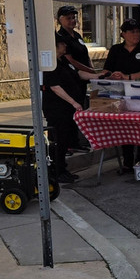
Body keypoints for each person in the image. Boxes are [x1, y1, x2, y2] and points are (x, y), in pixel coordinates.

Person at [105, 18, 140, 171]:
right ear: (123, 34)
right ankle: (127, 162)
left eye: (137, 31)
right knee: (125, 126)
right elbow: (107, 70)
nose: (136, 34)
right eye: (132, 31)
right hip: (120, 93)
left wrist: (128, 77)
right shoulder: (115, 49)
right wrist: (112, 75)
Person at [42, 39, 92, 183]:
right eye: (63, 43)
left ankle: (62, 168)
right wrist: (74, 102)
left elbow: (79, 74)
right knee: (58, 139)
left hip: (67, 108)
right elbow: (55, 87)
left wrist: (98, 76)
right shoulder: (50, 65)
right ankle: (57, 171)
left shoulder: (63, 60)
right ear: (55, 46)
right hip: (57, 108)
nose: (65, 45)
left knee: (65, 138)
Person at [55, 6, 106, 82]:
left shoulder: (77, 35)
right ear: (61, 20)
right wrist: (89, 70)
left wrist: (91, 68)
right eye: (69, 18)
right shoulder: (61, 37)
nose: (72, 20)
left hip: (86, 75)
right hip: (73, 76)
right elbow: (70, 60)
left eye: (73, 18)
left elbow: (85, 53)